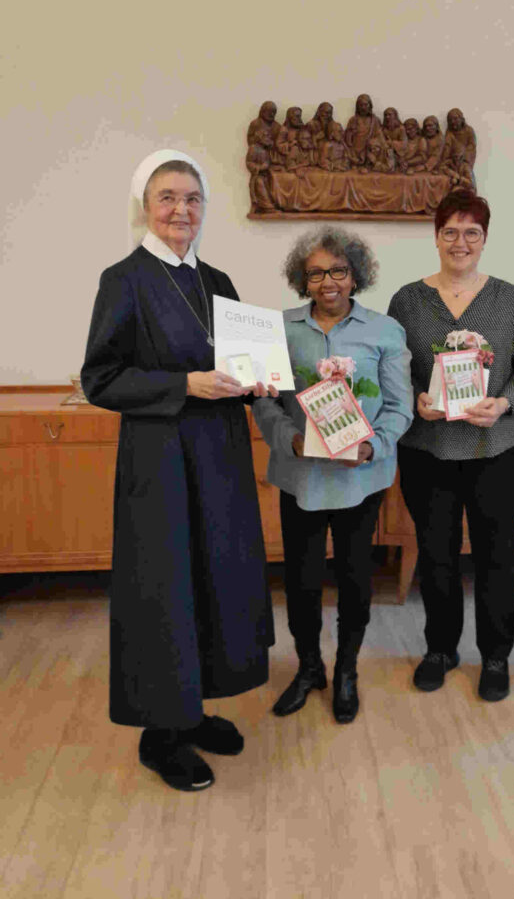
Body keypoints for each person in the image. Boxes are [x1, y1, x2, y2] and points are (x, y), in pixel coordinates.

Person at [81, 150, 274, 791]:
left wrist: (263, 382)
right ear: (146, 205)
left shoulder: (217, 279)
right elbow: (100, 378)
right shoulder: (124, 279)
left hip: (218, 455)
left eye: (192, 199)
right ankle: (159, 732)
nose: (181, 210)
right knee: (166, 586)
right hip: (159, 461)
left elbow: (243, 364)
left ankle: (194, 710)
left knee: (215, 576)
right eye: (168, 198)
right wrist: (183, 384)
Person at [253, 228, 413, 724]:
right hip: (300, 476)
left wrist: (371, 447)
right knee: (301, 581)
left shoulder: (384, 330)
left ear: (355, 276)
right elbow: (264, 400)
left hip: (359, 479)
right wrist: (292, 440)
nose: (328, 281)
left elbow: (399, 405)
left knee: (354, 578)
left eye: (338, 271)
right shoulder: (278, 329)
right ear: (303, 278)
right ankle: (308, 668)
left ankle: (347, 670)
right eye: (317, 272)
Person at [388, 189, 514, 702]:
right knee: (437, 554)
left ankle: (495, 655)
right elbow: (394, 371)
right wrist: (415, 399)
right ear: (435, 238)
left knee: (496, 555)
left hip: (497, 449)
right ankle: (441, 648)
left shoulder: (509, 299)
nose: (460, 242)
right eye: (450, 232)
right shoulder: (407, 300)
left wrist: (504, 404)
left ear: (485, 239)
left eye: (471, 232)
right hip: (427, 449)